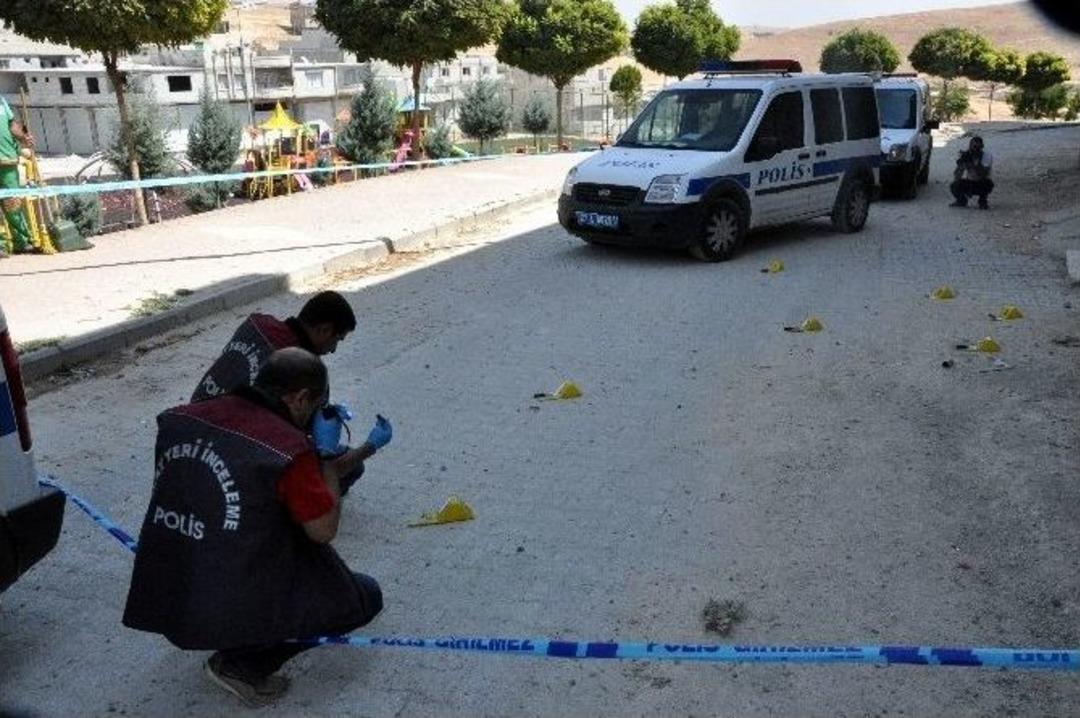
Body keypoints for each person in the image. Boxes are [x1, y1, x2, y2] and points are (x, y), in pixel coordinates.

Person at [123, 348, 393, 707]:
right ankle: (243, 665)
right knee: (364, 596)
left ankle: (233, 633)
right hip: (235, 587)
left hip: (174, 585)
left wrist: (365, 450)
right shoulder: (287, 451)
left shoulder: (181, 418)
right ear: (299, 398)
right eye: (315, 406)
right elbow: (323, 529)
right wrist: (323, 456)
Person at [191, 290, 356, 403]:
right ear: (324, 329)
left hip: (189, 420)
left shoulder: (256, 324)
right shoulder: (305, 371)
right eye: (337, 340)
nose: (333, 349)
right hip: (221, 443)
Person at [0, 97, 36, 257]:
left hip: (8, 159)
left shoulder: (1, 100)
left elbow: (11, 124)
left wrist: (23, 137)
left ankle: (21, 241)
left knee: (13, 203)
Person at [949, 135, 994, 209]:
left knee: (987, 184)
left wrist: (973, 164)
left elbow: (983, 174)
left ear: (982, 147)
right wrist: (961, 164)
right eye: (973, 146)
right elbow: (957, 175)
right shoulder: (967, 155)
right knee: (954, 185)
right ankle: (961, 201)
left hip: (982, 183)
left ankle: (982, 201)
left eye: (977, 146)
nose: (975, 149)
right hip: (970, 182)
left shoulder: (986, 156)